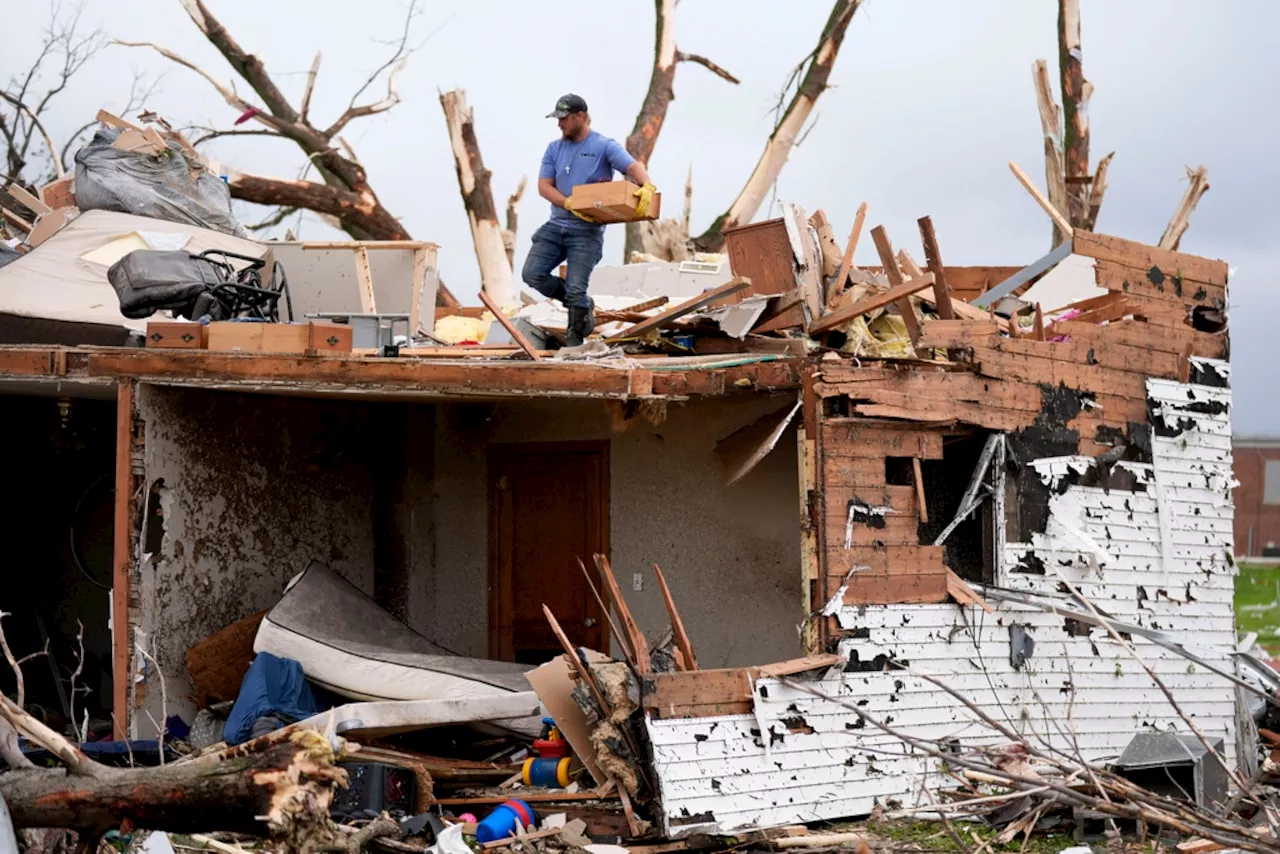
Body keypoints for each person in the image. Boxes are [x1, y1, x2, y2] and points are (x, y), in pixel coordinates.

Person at [522, 94, 656, 346]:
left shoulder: (604, 146)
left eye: (563, 119)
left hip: (586, 231)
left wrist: (647, 185)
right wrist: (568, 202)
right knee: (532, 274)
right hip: (556, 225)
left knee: (575, 288)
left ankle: (574, 341)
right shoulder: (554, 148)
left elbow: (633, 167)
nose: (559, 124)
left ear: (580, 117)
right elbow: (544, 186)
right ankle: (583, 304)